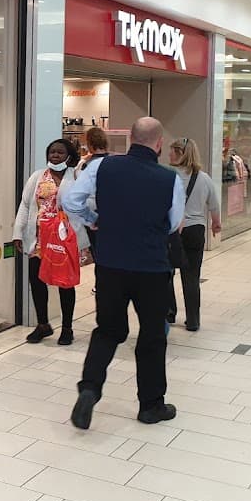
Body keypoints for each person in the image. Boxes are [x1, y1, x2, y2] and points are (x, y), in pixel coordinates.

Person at [63, 117, 185, 429]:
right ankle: (151, 406)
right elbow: (172, 224)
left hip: (111, 266)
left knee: (108, 330)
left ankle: (89, 388)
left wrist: (93, 219)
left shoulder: (102, 167)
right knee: (152, 336)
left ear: (131, 138)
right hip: (153, 268)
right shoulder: (170, 179)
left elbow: (70, 200)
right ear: (158, 144)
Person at [12, 138, 90, 345]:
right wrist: (18, 233)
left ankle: (67, 328)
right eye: (52, 152)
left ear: (69, 157)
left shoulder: (75, 177)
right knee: (37, 282)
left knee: (65, 283)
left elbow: (84, 206)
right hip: (38, 240)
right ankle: (43, 324)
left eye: (60, 153)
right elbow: (25, 206)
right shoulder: (37, 177)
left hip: (64, 240)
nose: (55, 156)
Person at [166, 138, 221, 332]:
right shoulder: (204, 178)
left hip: (172, 231)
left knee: (166, 274)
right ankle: (193, 320)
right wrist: (216, 223)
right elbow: (214, 204)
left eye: (172, 151)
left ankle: (169, 312)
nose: (168, 155)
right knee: (191, 277)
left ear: (180, 153)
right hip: (195, 231)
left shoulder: (167, 175)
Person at [76, 127, 110, 293]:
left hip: (90, 213)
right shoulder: (113, 162)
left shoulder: (84, 165)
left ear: (89, 143)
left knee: (97, 251)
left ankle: (102, 283)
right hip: (108, 212)